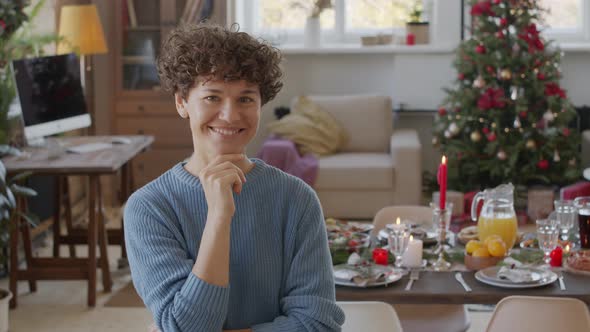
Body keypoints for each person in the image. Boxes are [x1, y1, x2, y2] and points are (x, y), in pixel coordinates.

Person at [124, 23, 345, 332]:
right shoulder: (149, 208)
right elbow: (185, 327)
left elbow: (318, 324)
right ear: (181, 102)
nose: (230, 115)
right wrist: (218, 217)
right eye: (212, 97)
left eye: (245, 99)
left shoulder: (296, 198)